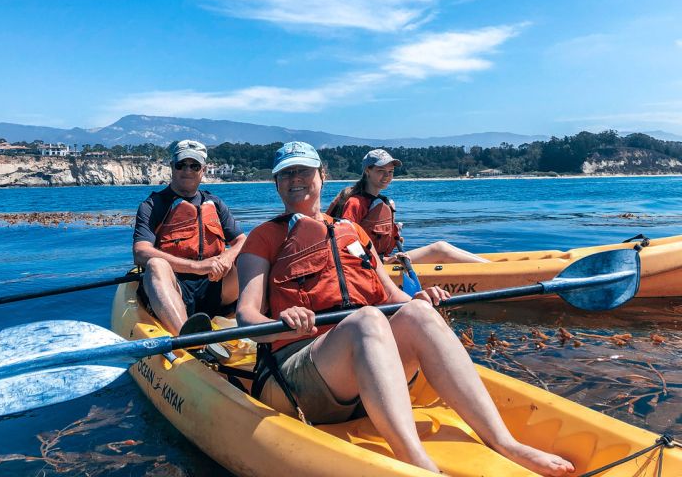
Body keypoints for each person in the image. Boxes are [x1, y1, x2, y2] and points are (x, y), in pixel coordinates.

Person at [236, 141, 573, 476]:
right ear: (277, 183)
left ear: (323, 175)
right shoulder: (264, 238)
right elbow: (246, 315)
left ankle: (504, 442)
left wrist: (423, 298)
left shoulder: (351, 232)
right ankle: (416, 462)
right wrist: (282, 320)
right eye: (287, 174)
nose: (296, 179)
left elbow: (393, 296)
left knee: (417, 313)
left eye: (304, 171)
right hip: (296, 375)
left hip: (359, 372)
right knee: (366, 318)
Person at [133, 139, 246, 335]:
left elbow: (242, 241)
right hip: (176, 287)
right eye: (181, 165)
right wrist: (196, 267)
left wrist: (226, 258)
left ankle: (257, 322)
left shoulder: (215, 204)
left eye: (194, 166)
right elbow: (141, 252)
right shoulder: (152, 205)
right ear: (171, 167)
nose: (187, 170)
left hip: (215, 286)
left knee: (248, 258)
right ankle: (189, 340)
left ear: (203, 169)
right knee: (155, 265)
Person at [327, 148, 488, 264]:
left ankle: (493, 267)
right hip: (370, 266)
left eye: (390, 172)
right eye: (381, 171)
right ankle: (498, 274)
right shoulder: (355, 203)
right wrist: (383, 260)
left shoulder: (382, 202)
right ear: (367, 171)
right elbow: (346, 244)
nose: (387, 176)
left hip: (383, 261)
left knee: (443, 246)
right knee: (440, 250)